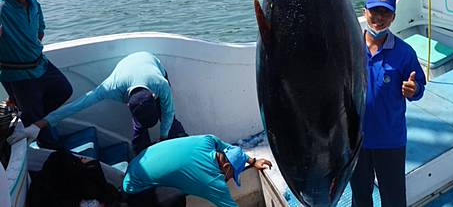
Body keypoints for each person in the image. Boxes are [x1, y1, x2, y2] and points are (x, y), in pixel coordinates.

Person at [10, 51, 187, 154]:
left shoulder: (161, 84)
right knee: (139, 129)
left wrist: (163, 137)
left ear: (154, 95)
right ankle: (143, 157)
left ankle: (184, 145)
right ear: (127, 106)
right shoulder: (109, 88)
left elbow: (169, 111)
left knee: (169, 119)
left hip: (151, 63)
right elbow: (76, 106)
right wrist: (37, 126)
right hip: (129, 70)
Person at [350, 0, 427, 207]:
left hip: (390, 140)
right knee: (360, 197)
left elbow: (419, 87)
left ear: (393, 17)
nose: (379, 18)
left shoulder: (405, 52)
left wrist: (414, 90)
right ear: (365, 12)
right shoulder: (349, 47)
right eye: (375, 11)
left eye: (386, 13)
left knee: (393, 200)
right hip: (356, 140)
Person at [0, 0, 72, 148]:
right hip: (19, 75)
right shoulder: (1, 7)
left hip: (41, 64)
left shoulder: (32, 1)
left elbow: (39, 31)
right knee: (39, 122)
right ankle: (52, 155)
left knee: (64, 90)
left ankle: (32, 119)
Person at [122, 134, 272, 206]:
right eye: (233, 175)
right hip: (136, 190)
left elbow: (228, 148)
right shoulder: (212, 182)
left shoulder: (207, 140)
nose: (230, 179)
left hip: (137, 163)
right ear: (226, 167)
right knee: (177, 200)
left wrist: (252, 161)